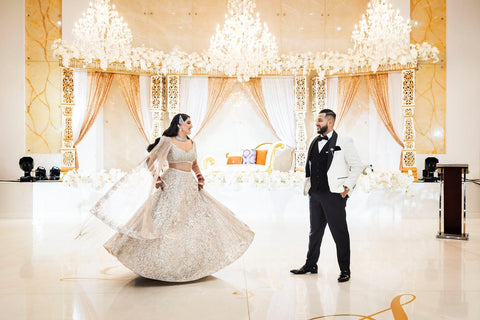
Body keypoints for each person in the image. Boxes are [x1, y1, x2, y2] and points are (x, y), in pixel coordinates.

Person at [90, 113, 254, 282]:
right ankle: (159, 263)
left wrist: (200, 177)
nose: (191, 126)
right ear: (179, 125)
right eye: (188, 123)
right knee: (167, 221)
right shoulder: (167, 141)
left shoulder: (192, 143)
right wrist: (157, 178)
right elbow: (150, 161)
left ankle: (190, 263)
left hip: (189, 185)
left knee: (191, 222)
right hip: (172, 184)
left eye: (191, 123)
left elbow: (194, 163)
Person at [290, 109, 362, 282]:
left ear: (330, 122)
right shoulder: (314, 141)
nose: (317, 123)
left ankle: (345, 270)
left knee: (340, 233)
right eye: (317, 120)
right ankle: (310, 265)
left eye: (320, 120)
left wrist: (347, 187)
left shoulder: (344, 141)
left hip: (334, 195)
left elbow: (357, 166)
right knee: (314, 232)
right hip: (315, 194)